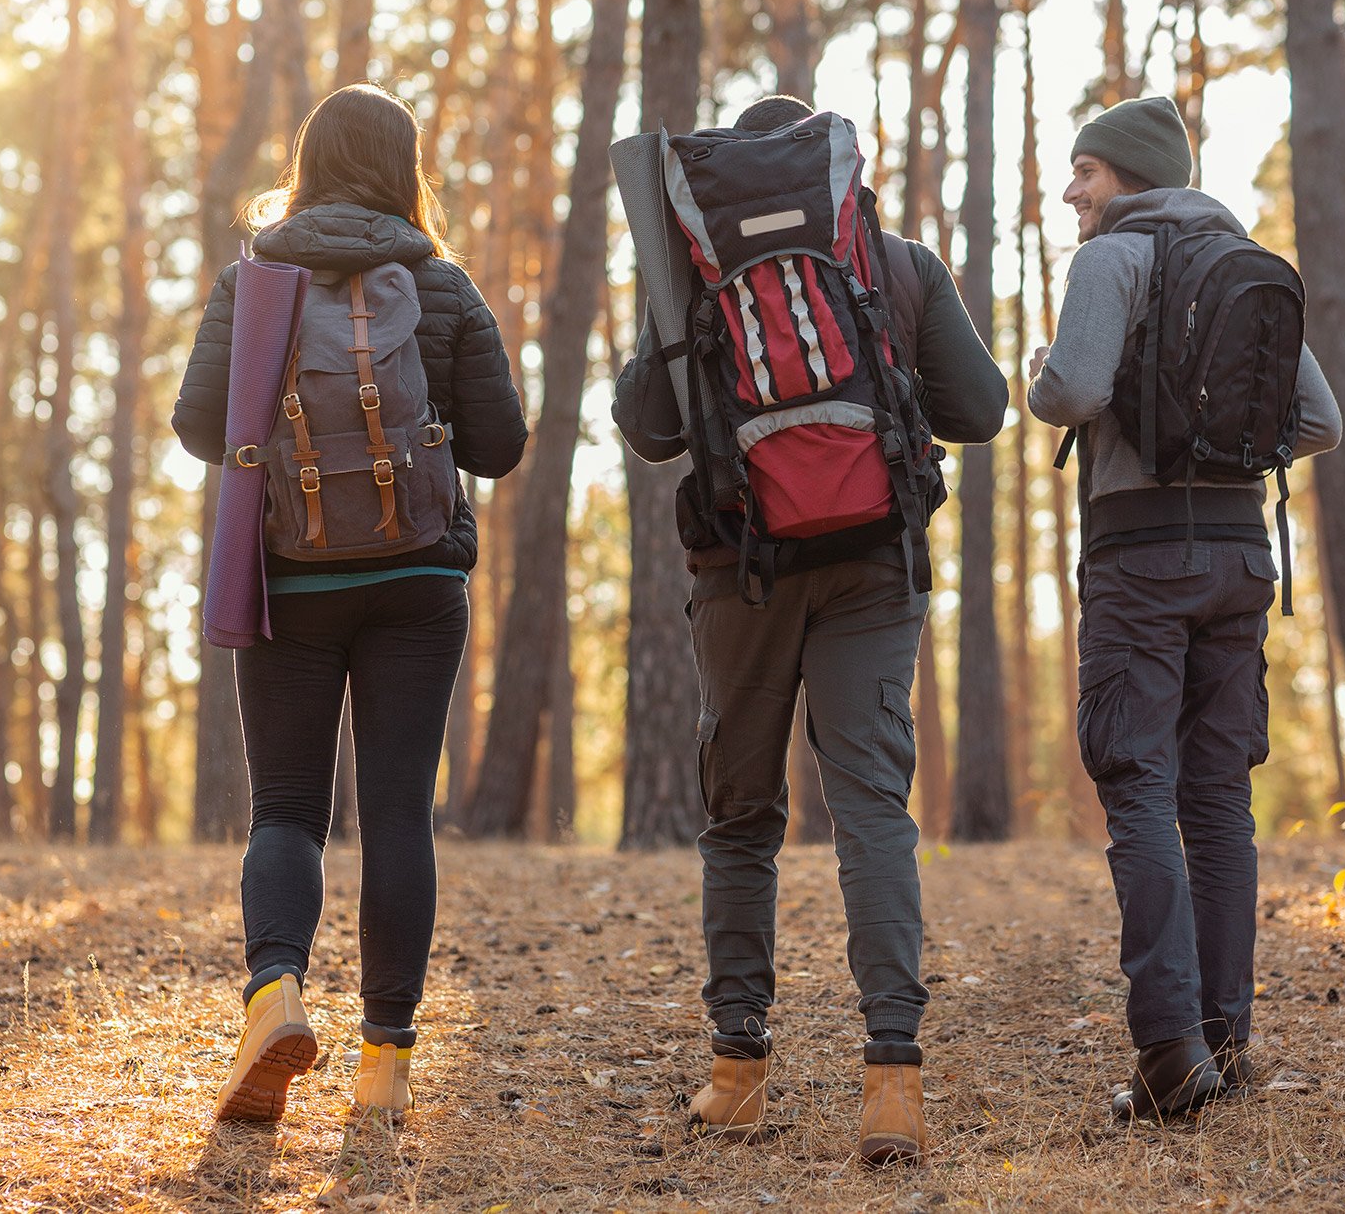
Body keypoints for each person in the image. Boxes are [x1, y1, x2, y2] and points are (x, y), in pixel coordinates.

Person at [613, 95, 1008, 1164]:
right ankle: (891, 1084)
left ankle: (737, 1073)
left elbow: (649, 430)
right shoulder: (897, 263)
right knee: (872, 811)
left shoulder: (692, 272)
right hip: (875, 567)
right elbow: (982, 409)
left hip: (739, 568)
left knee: (741, 819)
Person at [172, 83, 527, 1125]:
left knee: (287, 808)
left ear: (309, 162)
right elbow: (500, 448)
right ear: (405, 167)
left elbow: (199, 424)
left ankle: (274, 996)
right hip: (417, 581)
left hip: (287, 573)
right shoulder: (442, 281)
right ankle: (385, 1066)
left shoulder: (256, 278)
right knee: (397, 812)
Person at [1026, 96, 1342, 1121]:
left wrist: (1044, 378)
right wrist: (1231, 460)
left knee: (1137, 787)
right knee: (1216, 800)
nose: (1072, 190)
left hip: (1139, 555)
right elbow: (1320, 422)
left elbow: (1072, 391)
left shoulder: (1112, 259)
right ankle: (1223, 1041)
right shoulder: (1241, 258)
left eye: (1084, 170)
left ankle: (1166, 1057)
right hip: (1241, 556)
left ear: (1126, 173)